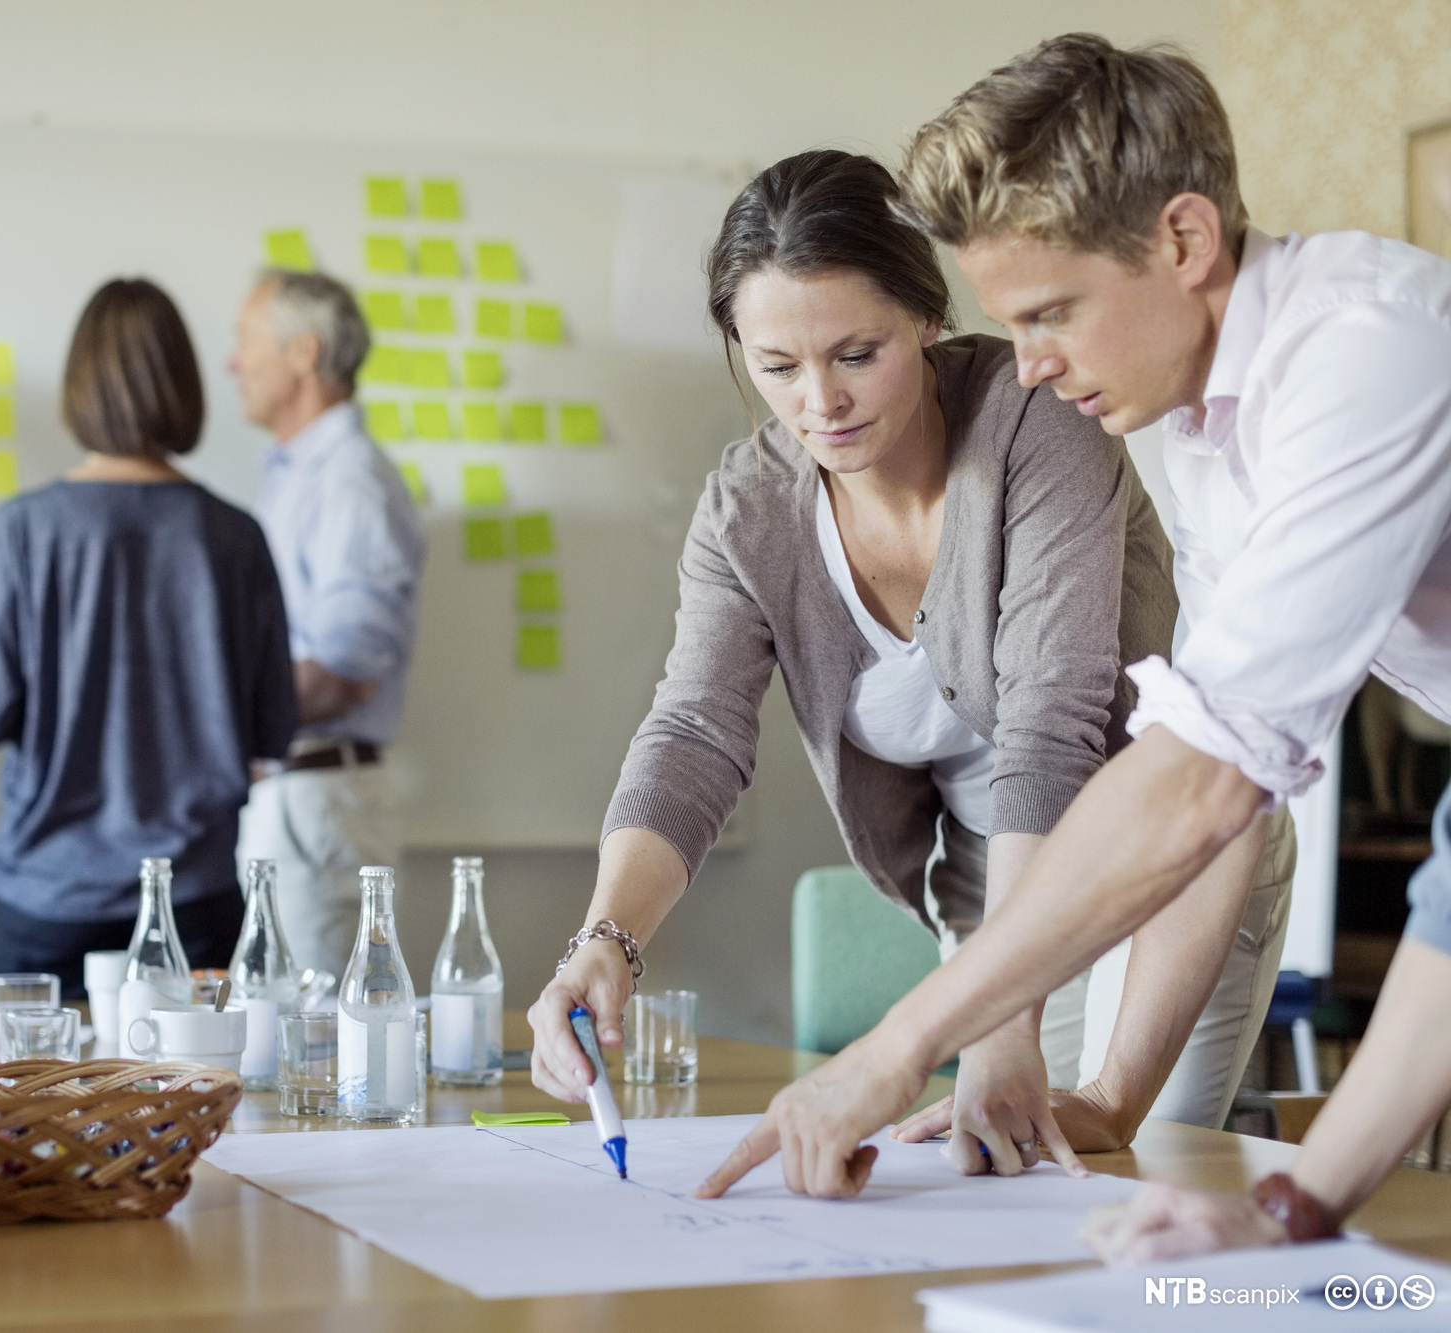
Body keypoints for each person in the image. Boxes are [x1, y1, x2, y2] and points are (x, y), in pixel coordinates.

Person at [702, 32, 1451, 1224]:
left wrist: (899, 1045)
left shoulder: (1363, 353)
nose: (1031, 368)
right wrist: (1263, 1186)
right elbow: (1222, 777)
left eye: (1050, 313)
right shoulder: (1207, 433)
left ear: (1183, 241)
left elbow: (1203, 786)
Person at [529, 149, 1293, 1178]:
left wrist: (1000, 1017)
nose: (817, 404)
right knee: (1000, 1189)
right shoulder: (746, 511)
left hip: (1165, 864)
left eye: (854, 353)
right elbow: (694, 732)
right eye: (776, 366)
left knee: (1130, 1168)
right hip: (991, 898)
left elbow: (1050, 723)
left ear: (925, 319)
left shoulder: (1036, 420)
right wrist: (604, 938)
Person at [0, 278, 297, 993]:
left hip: (43, 893)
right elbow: (275, 728)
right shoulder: (235, 536)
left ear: (79, 386)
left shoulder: (22, 529)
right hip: (194, 895)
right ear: (183, 384)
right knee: (187, 1105)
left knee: (34, 1105)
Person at [229, 270, 426, 977]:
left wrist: (222, 725)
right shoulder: (296, 476)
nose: (231, 362)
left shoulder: (349, 481)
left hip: (317, 806)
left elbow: (343, 669)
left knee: (319, 1049)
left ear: (303, 352)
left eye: (244, 340)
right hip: (290, 796)